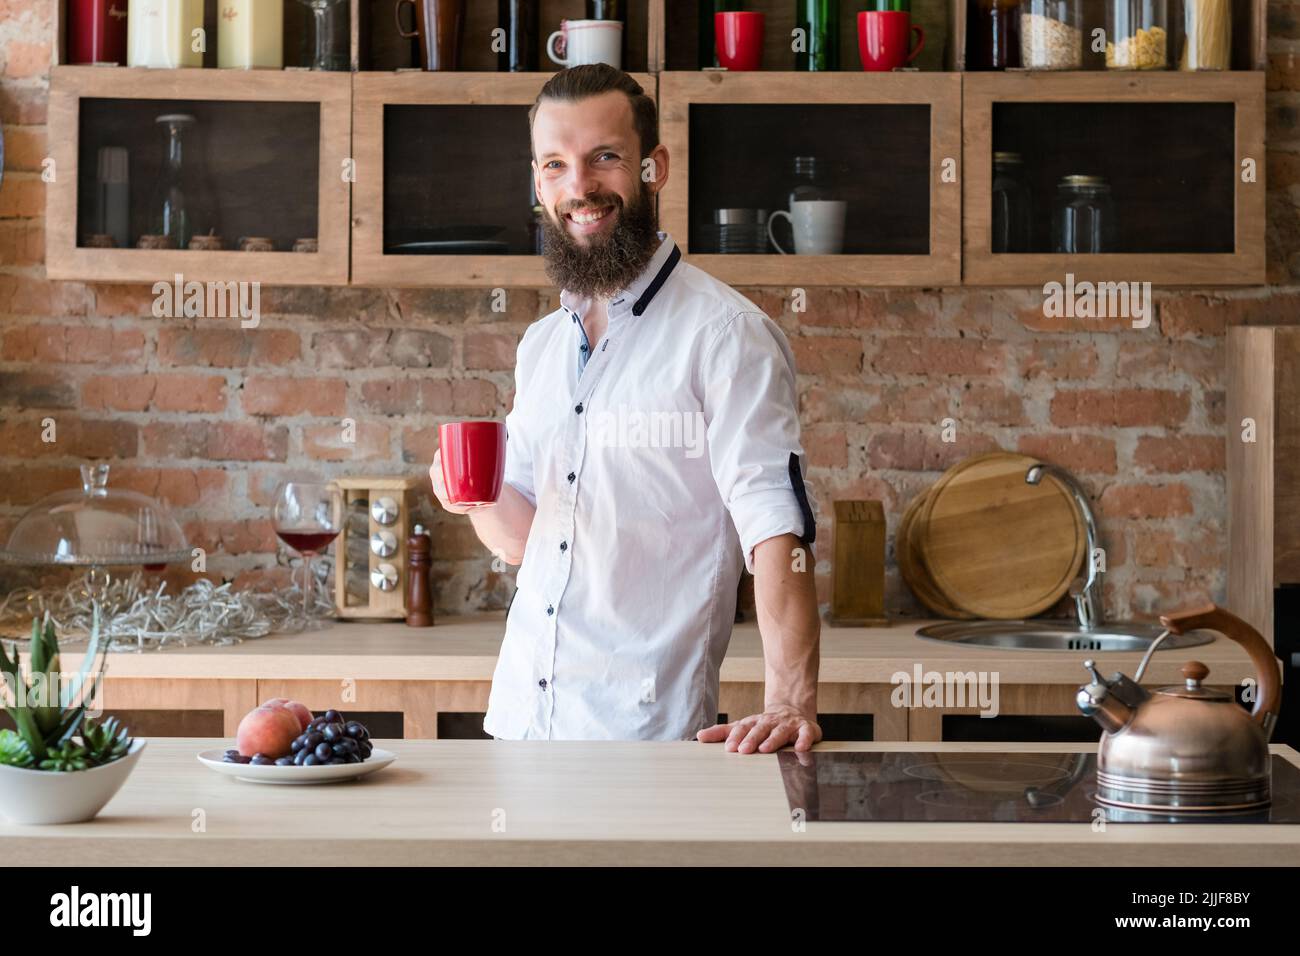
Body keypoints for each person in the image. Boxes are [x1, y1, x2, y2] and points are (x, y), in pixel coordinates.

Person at [430, 65, 821, 754]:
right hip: (520, 723)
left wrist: (789, 701)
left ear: (653, 167)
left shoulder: (725, 335)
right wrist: (474, 498)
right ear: (538, 182)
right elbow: (529, 541)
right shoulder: (543, 345)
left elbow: (774, 531)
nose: (579, 187)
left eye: (603, 158)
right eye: (556, 165)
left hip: (645, 737)